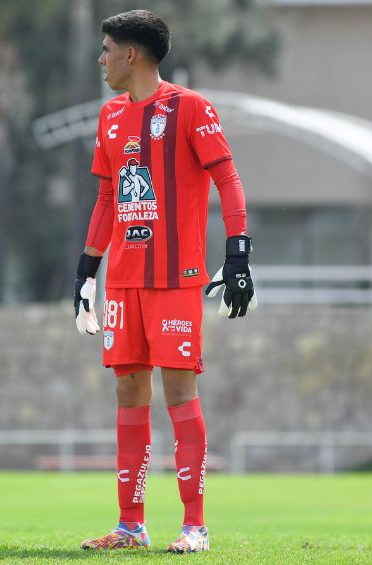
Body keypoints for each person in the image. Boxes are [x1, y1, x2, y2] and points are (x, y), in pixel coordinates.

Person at [73, 9, 257, 554]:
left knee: (178, 389)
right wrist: (86, 270)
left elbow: (228, 177)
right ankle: (131, 526)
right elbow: (108, 199)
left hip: (176, 278)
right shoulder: (108, 118)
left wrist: (238, 253)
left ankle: (194, 526)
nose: (101, 58)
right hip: (124, 282)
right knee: (128, 389)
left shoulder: (190, 108)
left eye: (106, 48)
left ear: (131, 54)